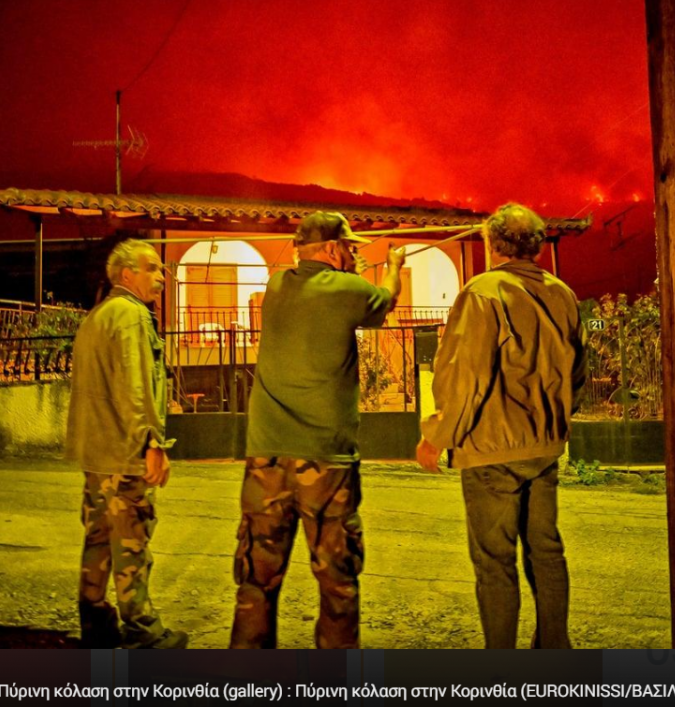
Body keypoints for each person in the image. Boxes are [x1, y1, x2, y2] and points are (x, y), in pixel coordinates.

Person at [230, 211, 406, 649]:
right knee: (336, 581)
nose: (352, 256)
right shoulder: (350, 289)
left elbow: (332, 289)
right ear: (332, 249)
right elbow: (384, 300)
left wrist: (354, 274)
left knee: (257, 579)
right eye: (349, 248)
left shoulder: (275, 287)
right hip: (326, 460)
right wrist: (393, 269)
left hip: (266, 457)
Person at [416, 203, 586, 649]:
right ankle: (555, 650)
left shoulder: (483, 292)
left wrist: (438, 434)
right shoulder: (562, 293)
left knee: (495, 562)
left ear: (493, 246)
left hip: (492, 449)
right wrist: (554, 423)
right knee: (546, 551)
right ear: (538, 246)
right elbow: (578, 372)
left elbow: (464, 373)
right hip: (544, 447)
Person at [66, 239, 187, 649]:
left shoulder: (97, 316)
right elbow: (135, 388)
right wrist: (152, 441)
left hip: (95, 453)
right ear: (126, 275)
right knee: (131, 541)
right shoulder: (133, 317)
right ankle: (142, 631)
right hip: (122, 452)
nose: (162, 276)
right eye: (152, 268)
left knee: (98, 537)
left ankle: (95, 620)